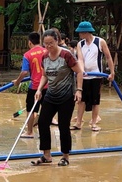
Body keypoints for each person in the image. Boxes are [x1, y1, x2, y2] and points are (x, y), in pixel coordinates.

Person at [31, 29, 84, 167]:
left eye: (51, 43)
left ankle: (65, 156)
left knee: (63, 125)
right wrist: (39, 89)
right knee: (42, 122)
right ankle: (46, 155)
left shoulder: (67, 55)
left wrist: (79, 90)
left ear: (57, 41)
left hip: (66, 96)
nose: (48, 46)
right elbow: (44, 75)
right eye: (46, 44)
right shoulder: (44, 57)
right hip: (51, 94)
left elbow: (79, 72)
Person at [72, 21, 115, 131]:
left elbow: (108, 57)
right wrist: (81, 71)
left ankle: (94, 123)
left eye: (81, 33)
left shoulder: (100, 42)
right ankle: (78, 123)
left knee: (95, 100)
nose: (80, 35)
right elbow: (80, 59)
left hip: (97, 76)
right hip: (84, 76)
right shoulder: (80, 44)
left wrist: (112, 72)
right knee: (81, 100)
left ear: (86, 32)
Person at [11, 32, 46, 139]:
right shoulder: (47, 51)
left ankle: (30, 132)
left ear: (30, 42)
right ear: (40, 41)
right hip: (48, 85)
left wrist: (17, 81)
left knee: (31, 110)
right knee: (46, 110)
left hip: (35, 87)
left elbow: (25, 72)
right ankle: (44, 132)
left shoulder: (27, 55)